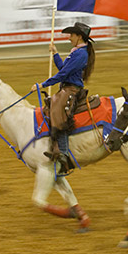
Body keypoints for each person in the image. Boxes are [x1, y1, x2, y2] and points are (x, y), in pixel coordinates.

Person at [31, 22, 95, 175]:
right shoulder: (77, 52)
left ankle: (64, 154)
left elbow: (63, 75)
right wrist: (55, 53)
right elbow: (64, 69)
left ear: (79, 36)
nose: (69, 38)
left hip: (71, 89)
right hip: (66, 87)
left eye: (71, 35)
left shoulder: (81, 54)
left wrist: (42, 85)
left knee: (58, 114)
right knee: (53, 110)